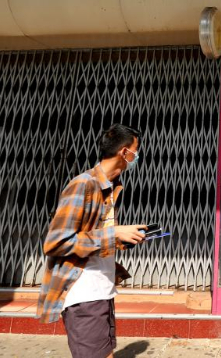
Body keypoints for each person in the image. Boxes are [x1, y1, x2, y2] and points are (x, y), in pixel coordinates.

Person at [36, 124, 148, 358]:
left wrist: (123, 238)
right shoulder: (83, 185)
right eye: (136, 152)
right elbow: (56, 242)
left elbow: (93, 236)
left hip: (101, 290)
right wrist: (114, 233)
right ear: (124, 153)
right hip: (83, 293)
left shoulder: (110, 188)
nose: (136, 157)